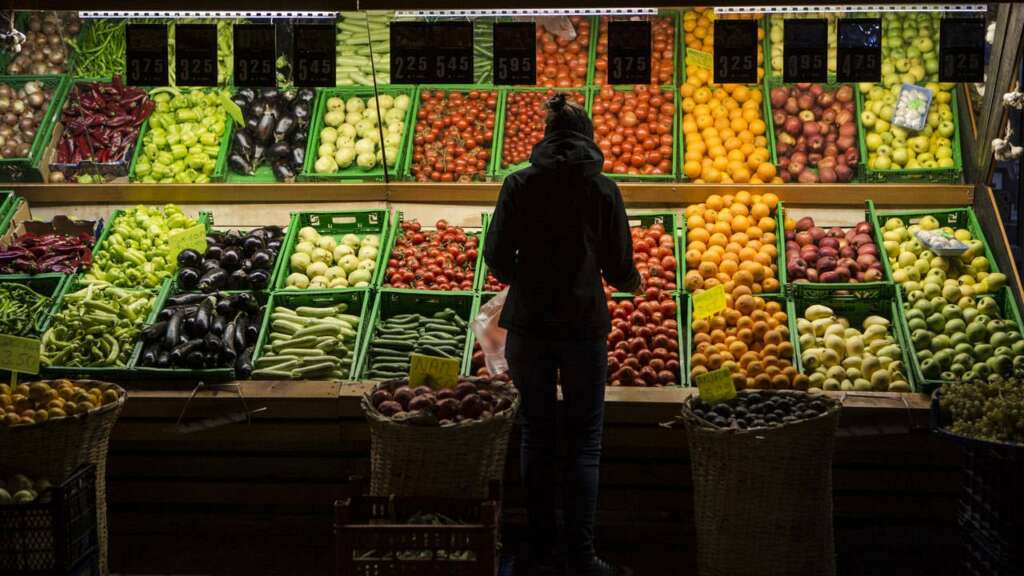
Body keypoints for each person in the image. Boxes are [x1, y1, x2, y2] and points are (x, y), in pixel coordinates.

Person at [484, 94, 641, 576]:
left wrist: (526, 275)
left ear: (546, 138)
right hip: (582, 327)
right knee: (583, 441)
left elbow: (495, 260)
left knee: (536, 432)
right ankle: (582, 556)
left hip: (529, 326)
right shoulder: (603, 190)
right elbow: (619, 270)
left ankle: (538, 551)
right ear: (588, 137)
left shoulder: (518, 184)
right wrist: (631, 282)